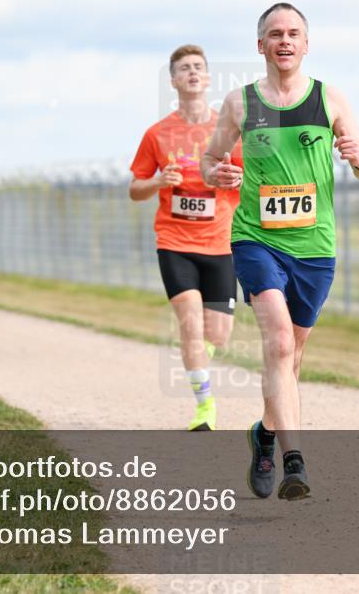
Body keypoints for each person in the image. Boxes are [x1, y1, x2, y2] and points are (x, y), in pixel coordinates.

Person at [202, 3, 359, 500]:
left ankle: (264, 434)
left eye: (293, 33)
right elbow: (210, 158)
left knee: (291, 358)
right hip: (256, 238)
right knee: (279, 342)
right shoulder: (241, 104)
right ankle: (293, 461)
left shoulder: (331, 100)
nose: (284, 41)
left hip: (315, 248)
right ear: (261, 45)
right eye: (274, 34)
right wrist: (217, 174)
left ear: (306, 44)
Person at [130, 44, 244, 432]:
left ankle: (196, 353)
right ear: (174, 80)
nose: (192, 72)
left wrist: (236, 179)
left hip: (220, 243)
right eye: (184, 68)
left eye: (198, 67)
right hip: (174, 241)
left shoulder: (227, 131)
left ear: (208, 78)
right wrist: (158, 181)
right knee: (190, 322)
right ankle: (205, 406)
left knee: (219, 334)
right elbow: (135, 189)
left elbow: (248, 179)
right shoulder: (157, 134)